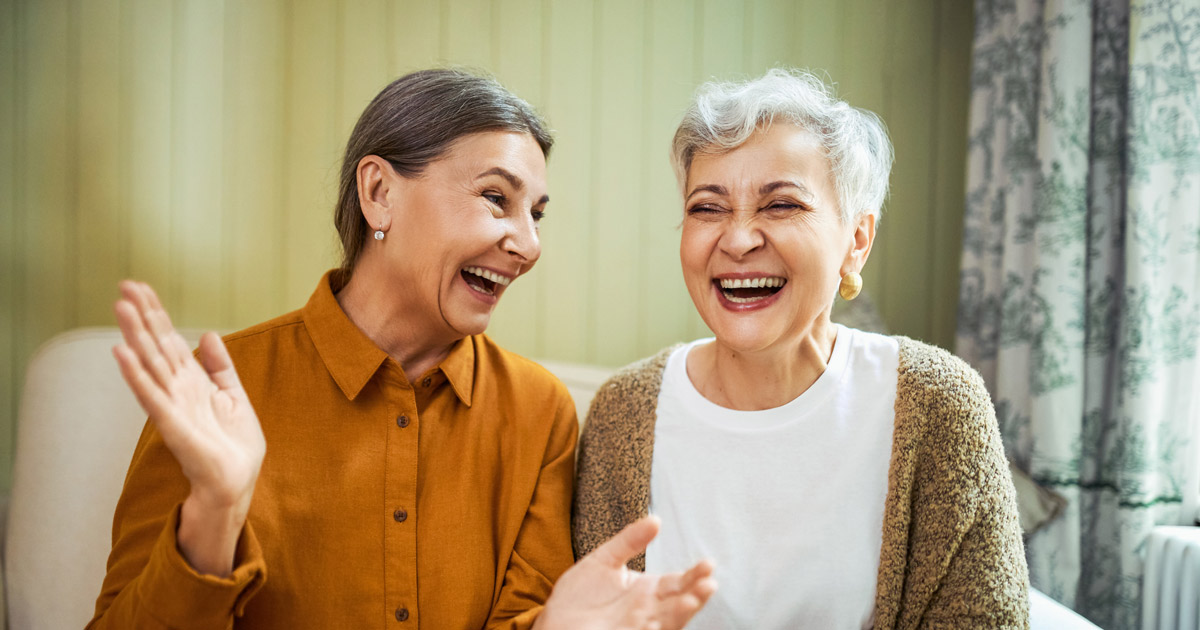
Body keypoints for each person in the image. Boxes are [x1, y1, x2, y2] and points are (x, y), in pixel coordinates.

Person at [89, 69, 714, 630]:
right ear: (379, 192)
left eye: (537, 214)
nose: (528, 245)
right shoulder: (224, 389)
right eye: (497, 198)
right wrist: (215, 511)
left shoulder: (539, 412)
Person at [572, 68, 1030, 629]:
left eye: (781, 205)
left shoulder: (938, 403)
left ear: (856, 241)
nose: (738, 239)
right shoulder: (624, 411)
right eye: (707, 208)